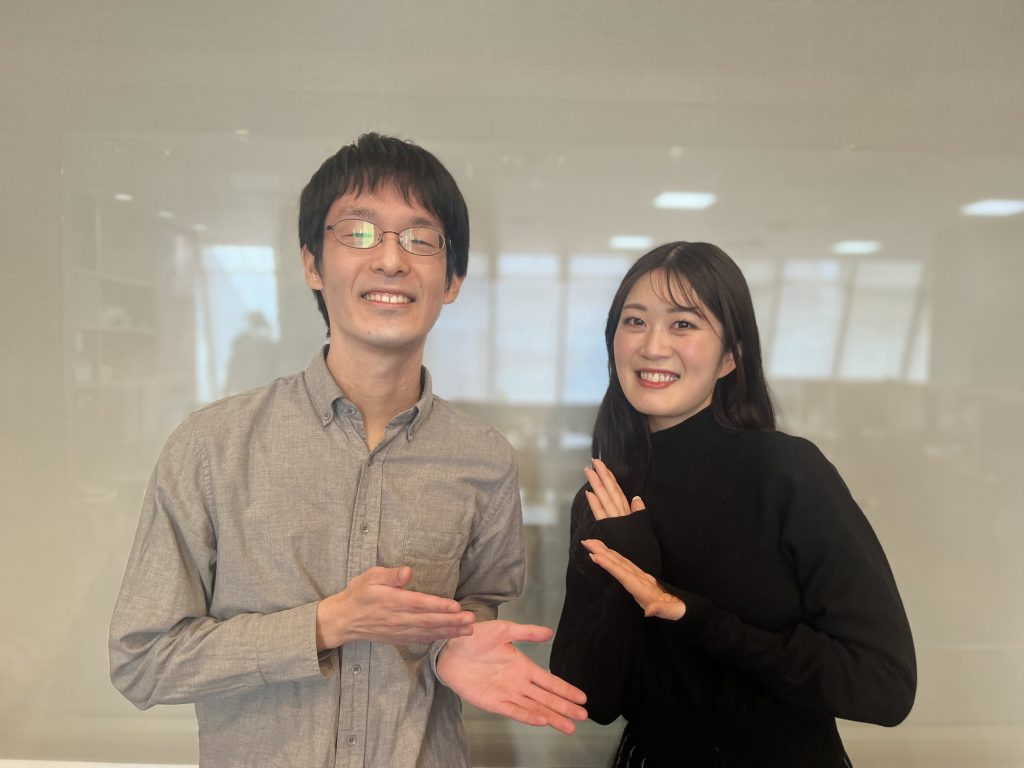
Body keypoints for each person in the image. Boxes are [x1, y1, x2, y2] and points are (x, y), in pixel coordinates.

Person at [109, 133, 587, 768]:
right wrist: (327, 623)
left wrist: (449, 648)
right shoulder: (212, 446)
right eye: (359, 232)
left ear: (453, 280)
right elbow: (143, 662)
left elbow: (472, 609)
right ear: (312, 264)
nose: (390, 259)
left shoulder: (485, 460)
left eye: (420, 238)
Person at [550, 242, 915, 767]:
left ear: (730, 356)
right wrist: (628, 571)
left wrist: (689, 614)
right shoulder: (606, 494)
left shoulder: (787, 472)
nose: (653, 346)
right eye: (635, 321)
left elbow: (883, 685)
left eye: (683, 324)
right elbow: (592, 697)